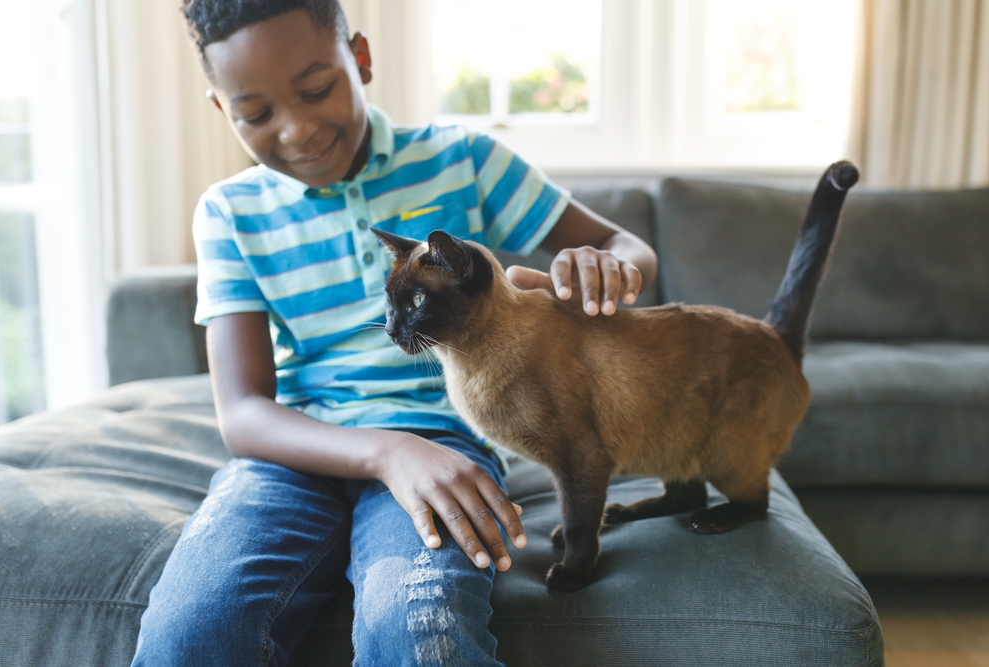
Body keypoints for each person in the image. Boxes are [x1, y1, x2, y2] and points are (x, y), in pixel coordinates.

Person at [131, 1, 658, 665]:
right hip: (294, 453)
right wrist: (385, 452)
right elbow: (241, 413)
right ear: (221, 108)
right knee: (190, 635)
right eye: (256, 113)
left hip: (442, 447)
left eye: (315, 90)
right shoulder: (228, 213)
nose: (296, 130)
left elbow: (626, 245)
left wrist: (607, 266)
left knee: (421, 637)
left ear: (361, 58)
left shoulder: (462, 159)